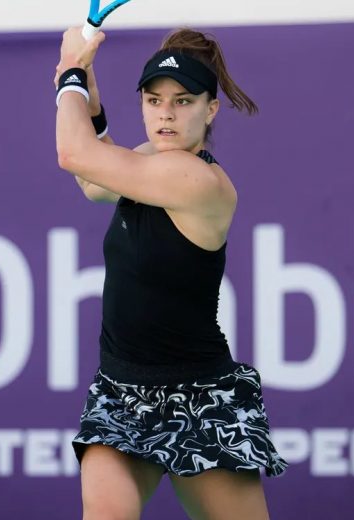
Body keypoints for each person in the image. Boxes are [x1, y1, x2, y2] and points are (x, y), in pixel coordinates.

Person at [54, 26, 288, 520]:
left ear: (211, 109)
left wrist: (70, 71)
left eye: (183, 101)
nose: (166, 113)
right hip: (121, 392)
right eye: (154, 100)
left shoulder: (197, 180)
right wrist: (89, 99)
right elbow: (92, 181)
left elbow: (74, 154)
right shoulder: (147, 159)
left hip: (200, 397)